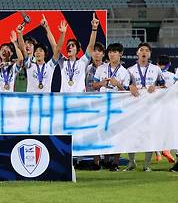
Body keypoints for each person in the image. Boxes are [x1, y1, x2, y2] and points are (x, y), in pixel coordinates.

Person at [126, 42, 167, 172]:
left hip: (151, 107)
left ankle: (146, 164)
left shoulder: (156, 69)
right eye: (141, 50)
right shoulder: (130, 70)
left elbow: (164, 86)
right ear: (137, 53)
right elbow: (124, 86)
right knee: (131, 134)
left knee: (150, 134)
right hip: (134, 107)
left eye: (146, 50)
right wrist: (130, 87)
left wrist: (156, 87)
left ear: (149, 54)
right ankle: (132, 162)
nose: (144, 52)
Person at [91, 43, 131, 171]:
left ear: (121, 54)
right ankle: (97, 163)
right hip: (101, 104)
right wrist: (102, 83)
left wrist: (117, 84)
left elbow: (126, 92)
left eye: (115, 52)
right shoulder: (101, 68)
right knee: (98, 132)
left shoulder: (125, 72)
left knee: (115, 133)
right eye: (110, 52)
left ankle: (115, 163)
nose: (112, 54)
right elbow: (94, 85)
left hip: (116, 106)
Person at [17, 18, 64, 93]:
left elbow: (57, 49)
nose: (38, 53)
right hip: (31, 101)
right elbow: (23, 48)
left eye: (41, 51)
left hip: (45, 102)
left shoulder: (50, 65)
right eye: (36, 51)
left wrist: (61, 33)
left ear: (45, 54)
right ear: (34, 54)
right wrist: (19, 33)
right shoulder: (29, 65)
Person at [57, 13, 99, 92]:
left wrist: (94, 28)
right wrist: (62, 34)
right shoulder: (62, 62)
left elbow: (90, 46)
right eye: (68, 45)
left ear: (77, 50)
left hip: (79, 99)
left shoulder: (82, 62)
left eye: (72, 45)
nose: (69, 47)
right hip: (64, 99)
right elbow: (57, 49)